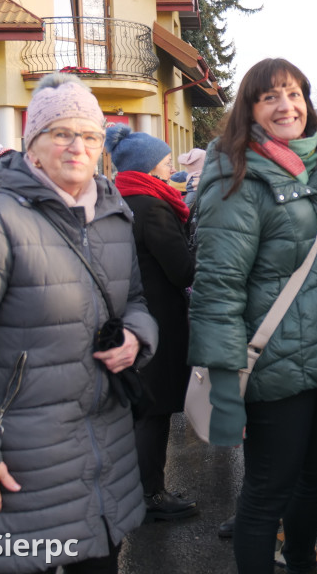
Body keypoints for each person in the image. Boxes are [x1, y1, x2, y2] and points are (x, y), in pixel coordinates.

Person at [0, 73, 158, 573]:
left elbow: (134, 299)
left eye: (89, 135)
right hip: (16, 461)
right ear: (33, 146)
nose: (77, 147)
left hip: (99, 457)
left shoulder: (112, 216)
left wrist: (137, 336)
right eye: (61, 133)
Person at [188, 58, 317, 574]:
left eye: (293, 94)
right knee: (269, 491)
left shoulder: (315, 167)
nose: (286, 106)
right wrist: (225, 387)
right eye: (270, 97)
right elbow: (218, 290)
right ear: (250, 110)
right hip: (271, 367)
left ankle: (301, 563)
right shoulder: (238, 175)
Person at [105, 124, 198, 523]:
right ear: (146, 168)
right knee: (153, 411)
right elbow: (181, 269)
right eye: (163, 163)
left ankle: (135, 489)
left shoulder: (115, 198)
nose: (169, 171)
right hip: (157, 318)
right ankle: (149, 494)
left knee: (137, 408)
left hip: (124, 314)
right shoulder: (153, 206)